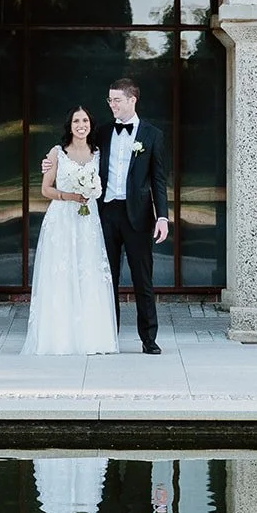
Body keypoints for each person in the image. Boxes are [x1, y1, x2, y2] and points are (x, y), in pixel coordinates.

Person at [22, 105, 119, 355]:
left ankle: (91, 338)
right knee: (61, 274)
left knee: (88, 273)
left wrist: (87, 194)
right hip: (62, 218)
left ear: (90, 124)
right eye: (76, 121)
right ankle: (60, 338)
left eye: (85, 120)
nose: (81, 125)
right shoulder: (57, 153)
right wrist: (69, 196)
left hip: (88, 221)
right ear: (70, 125)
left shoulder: (98, 153)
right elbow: (45, 189)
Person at [93, 78, 169, 355]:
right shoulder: (101, 132)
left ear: (132, 100)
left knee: (142, 279)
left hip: (138, 216)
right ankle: (107, 337)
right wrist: (50, 160)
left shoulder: (152, 135)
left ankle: (149, 339)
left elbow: (159, 180)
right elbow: (74, 150)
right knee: (106, 279)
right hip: (105, 213)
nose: (112, 105)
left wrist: (163, 218)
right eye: (110, 100)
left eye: (117, 100)